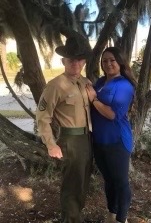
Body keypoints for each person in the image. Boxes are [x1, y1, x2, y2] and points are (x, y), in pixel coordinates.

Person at [36, 36, 93, 223]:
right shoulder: (55, 86)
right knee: (72, 185)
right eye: (71, 59)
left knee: (83, 183)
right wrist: (51, 144)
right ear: (63, 61)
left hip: (87, 139)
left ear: (83, 61)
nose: (75, 63)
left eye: (78, 59)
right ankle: (71, 219)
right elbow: (43, 117)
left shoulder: (85, 82)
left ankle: (75, 216)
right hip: (70, 141)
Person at [86, 47, 137, 223]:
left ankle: (122, 219)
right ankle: (111, 215)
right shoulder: (100, 82)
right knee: (109, 180)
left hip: (117, 141)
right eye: (105, 60)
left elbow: (112, 114)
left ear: (120, 62)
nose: (108, 64)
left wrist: (94, 100)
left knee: (121, 182)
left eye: (112, 60)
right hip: (99, 141)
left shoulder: (124, 85)